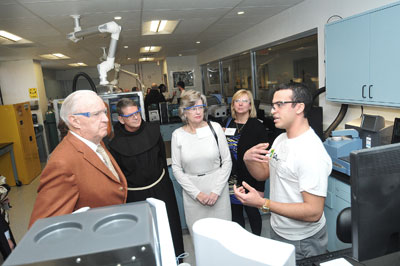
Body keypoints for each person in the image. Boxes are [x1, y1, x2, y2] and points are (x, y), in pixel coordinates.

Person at [234, 82, 332, 260]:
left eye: (280, 105)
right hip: (278, 229)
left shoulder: (311, 152)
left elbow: (313, 212)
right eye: (273, 105)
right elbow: (264, 172)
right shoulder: (280, 139)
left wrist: (262, 203)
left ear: (299, 107)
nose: (273, 111)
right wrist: (248, 159)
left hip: (303, 240)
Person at [29, 90, 128, 227]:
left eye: (104, 112)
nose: (106, 119)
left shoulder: (96, 143)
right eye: (96, 114)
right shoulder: (62, 163)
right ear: (75, 121)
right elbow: (42, 228)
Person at [108, 98, 184, 259]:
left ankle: (176, 259)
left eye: (137, 113)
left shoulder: (153, 130)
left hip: (162, 188)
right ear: (121, 119)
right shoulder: (114, 143)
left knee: (169, 227)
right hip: (135, 195)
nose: (136, 117)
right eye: (130, 115)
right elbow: (118, 174)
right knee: (143, 234)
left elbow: (162, 159)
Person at [171, 90, 232, 236]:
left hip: (218, 191)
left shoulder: (215, 128)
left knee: (224, 236)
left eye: (200, 107)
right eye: (192, 108)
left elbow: (227, 161)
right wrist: (197, 194)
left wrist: (216, 192)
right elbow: (177, 169)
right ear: (184, 112)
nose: (198, 112)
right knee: (200, 239)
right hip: (193, 195)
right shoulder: (178, 135)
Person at [223, 89, 271, 236]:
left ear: (250, 106)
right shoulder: (228, 123)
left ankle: (257, 241)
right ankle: (240, 243)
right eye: (237, 100)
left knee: (252, 212)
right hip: (231, 179)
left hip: (250, 178)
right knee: (235, 214)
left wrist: (260, 187)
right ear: (233, 105)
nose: (241, 104)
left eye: (245, 101)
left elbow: (264, 159)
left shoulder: (257, 126)